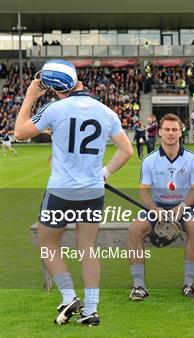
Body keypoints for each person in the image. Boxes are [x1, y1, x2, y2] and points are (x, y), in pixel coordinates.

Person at [14, 59, 133, 326]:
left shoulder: (55, 108)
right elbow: (126, 151)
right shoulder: (106, 111)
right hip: (92, 192)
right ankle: (91, 310)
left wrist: (30, 96)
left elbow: (20, 132)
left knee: (47, 245)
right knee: (87, 248)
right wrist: (105, 173)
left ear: (56, 89)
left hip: (61, 191)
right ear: (78, 81)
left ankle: (69, 296)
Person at [128, 114, 194, 300]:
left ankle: (188, 283)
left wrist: (183, 206)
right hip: (158, 206)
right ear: (160, 132)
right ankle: (138, 286)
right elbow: (144, 191)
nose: (170, 133)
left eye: (174, 130)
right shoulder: (150, 160)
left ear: (181, 131)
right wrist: (154, 209)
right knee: (135, 230)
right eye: (167, 130)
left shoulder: (192, 159)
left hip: (185, 206)